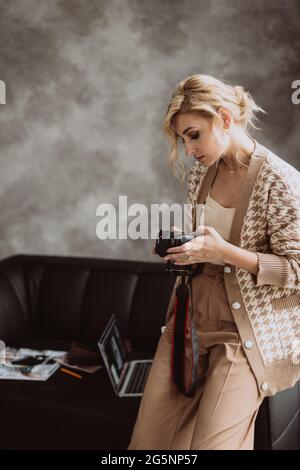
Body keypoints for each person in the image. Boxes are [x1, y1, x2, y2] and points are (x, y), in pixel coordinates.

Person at [127, 74, 300, 450]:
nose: (188, 149)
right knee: (147, 443)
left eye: (193, 135)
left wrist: (225, 253)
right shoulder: (202, 174)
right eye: (182, 139)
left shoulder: (280, 181)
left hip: (244, 334)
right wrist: (185, 249)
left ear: (224, 118)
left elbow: (296, 271)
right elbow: (206, 246)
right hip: (187, 322)